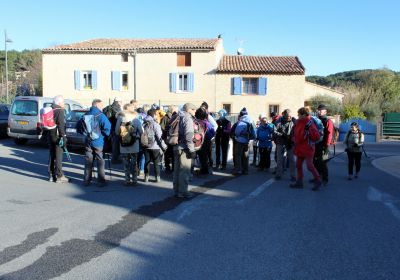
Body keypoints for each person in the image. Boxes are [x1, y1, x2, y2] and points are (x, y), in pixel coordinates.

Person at [78, 99, 111, 187]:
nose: (102, 107)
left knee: (88, 160)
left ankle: (86, 180)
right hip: (98, 141)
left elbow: (78, 127)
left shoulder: (85, 114)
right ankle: (101, 181)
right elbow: (108, 127)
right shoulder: (101, 115)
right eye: (101, 105)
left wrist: (85, 134)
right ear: (96, 105)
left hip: (88, 141)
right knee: (100, 160)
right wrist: (104, 135)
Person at [290, 107, 321, 191]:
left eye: (299, 114)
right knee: (298, 165)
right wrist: (294, 138)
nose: (298, 115)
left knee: (309, 166)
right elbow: (296, 134)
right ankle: (299, 182)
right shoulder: (299, 122)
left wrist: (308, 133)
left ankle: (318, 180)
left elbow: (316, 136)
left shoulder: (309, 123)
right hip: (300, 147)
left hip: (308, 148)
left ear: (303, 115)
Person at [115, 104, 143, 186]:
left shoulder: (120, 118)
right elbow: (141, 131)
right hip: (134, 143)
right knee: (134, 163)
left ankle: (127, 180)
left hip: (124, 144)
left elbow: (117, 131)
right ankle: (135, 180)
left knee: (126, 162)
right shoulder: (136, 119)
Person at [173, 103, 197, 198]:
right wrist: (192, 150)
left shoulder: (177, 116)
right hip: (184, 148)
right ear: (189, 109)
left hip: (175, 146)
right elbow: (189, 136)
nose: (195, 111)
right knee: (185, 171)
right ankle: (183, 192)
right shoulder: (188, 118)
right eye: (194, 109)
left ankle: (176, 191)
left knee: (177, 170)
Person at [48, 95, 69, 183]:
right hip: (57, 137)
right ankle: (60, 176)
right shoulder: (60, 111)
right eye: (63, 102)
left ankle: (51, 175)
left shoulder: (50, 109)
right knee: (59, 156)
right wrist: (63, 137)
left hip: (50, 135)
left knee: (52, 156)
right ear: (59, 103)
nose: (64, 104)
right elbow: (61, 125)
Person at [143, 109, 167, 182]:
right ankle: (157, 177)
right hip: (155, 146)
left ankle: (146, 177)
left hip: (145, 145)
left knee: (147, 161)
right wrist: (164, 146)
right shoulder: (155, 124)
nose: (157, 116)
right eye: (156, 114)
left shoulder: (144, 123)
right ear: (153, 115)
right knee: (156, 162)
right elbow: (159, 136)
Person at [313, 104, 334, 185]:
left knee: (323, 162)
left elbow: (329, 134)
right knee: (315, 162)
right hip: (316, 144)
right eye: (318, 110)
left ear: (325, 112)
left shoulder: (328, 121)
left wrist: (327, 146)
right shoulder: (316, 120)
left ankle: (325, 178)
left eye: (320, 110)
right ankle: (317, 177)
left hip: (324, 145)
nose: (318, 111)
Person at [273, 109, 296, 181]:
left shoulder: (294, 121)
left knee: (292, 159)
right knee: (280, 159)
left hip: (290, 142)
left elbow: (297, 130)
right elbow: (275, 131)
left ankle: (293, 175)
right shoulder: (278, 121)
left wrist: (292, 137)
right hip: (281, 142)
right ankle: (278, 174)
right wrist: (281, 135)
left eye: (290, 116)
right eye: (287, 116)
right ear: (284, 115)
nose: (289, 118)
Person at [232, 107, 256, 175]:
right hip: (248, 141)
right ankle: (246, 170)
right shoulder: (251, 120)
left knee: (238, 155)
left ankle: (238, 170)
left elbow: (237, 132)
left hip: (240, 141)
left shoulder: (242, 122)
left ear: (241, 114)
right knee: (246, 156)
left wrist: (237, 136)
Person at [195, 107, 216, 175]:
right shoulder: (207, 123)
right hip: (207, 141)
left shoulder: (196, 122)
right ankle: (206, 169)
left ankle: (204, 170)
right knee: (206, 156)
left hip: (199, 142)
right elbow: (213, 132)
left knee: (201, 156)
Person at [103, 97, 123, 164]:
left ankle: (107, 157)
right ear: (118, 102)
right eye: (121, 101)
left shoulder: (106, 108)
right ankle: (115, 160)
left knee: (109, 144)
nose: (122, 103)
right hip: (114, 128)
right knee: (115, 145)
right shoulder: (118, 109)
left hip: (107, 128)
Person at [160, 105, 178, 173]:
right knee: (168, 153)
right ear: (172, 110)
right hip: (168, 138)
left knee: (172, 154)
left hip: (172, 138)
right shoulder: (165, 117)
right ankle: (168, 167)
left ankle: (172, 167)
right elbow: (162, 128)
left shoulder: (176, 117)